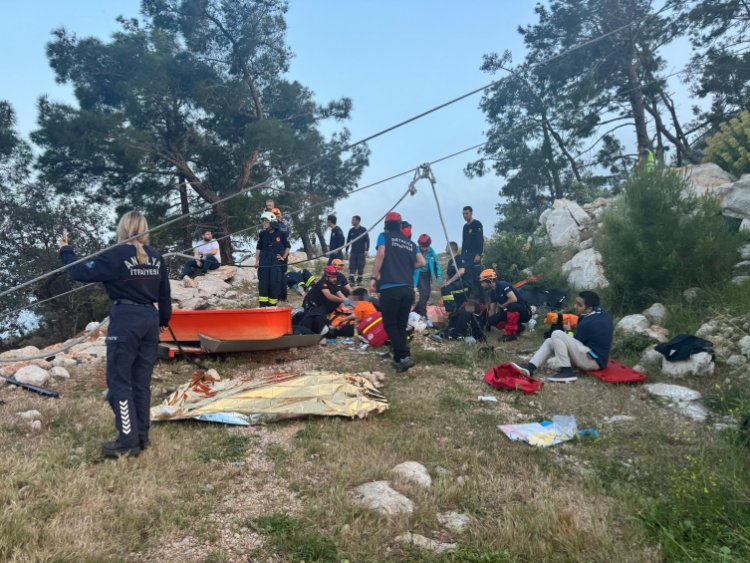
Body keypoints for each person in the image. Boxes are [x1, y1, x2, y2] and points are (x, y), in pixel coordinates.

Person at [59, 211, 171, 458]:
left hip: (126, 320)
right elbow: (164, 294)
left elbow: (79, 272)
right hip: (149, 321)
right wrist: (163, 320)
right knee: (141, 383)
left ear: (122, 229)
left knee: (120, 383)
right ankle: (141, 437)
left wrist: (65, 250)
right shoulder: (156, 257)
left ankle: (128, 441)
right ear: (144, 228)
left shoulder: (116, 255)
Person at [512, 290, 614, 383]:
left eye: (579, 305)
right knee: (549, 341)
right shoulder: (601, 313)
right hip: (595, 355)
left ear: (589, 308)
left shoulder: (587, 323)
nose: (575, 306)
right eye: (576, 303)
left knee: (557, 334)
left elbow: (573, 341)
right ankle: (530, 367)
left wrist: (568, 330)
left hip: (594, 361)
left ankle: (566, 371)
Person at [369, 211, 426, 373]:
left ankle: (405, 355)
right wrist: (408, 267)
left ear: (386, 225)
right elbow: (421, 262)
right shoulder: (410, 243)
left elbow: (381, 253)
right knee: (400, 325)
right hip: (408, 289)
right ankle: (398, 360)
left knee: (389, 324)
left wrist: (374, 277)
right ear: (400, 225)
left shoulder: (384, 236)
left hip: (390, 288)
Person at [481, 268, 532, 341]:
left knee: (511, 306)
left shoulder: (502, 285)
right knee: (493, 320)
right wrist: (489, 322)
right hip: (510, 311)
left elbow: (513, 299)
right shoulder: (492, 292)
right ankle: (519, 327)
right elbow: (492, 310)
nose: (481, 285)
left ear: (489, 280)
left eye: (483, 282)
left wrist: (503, 305)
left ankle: (510, 334)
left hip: (524, 312)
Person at [255, 211, 290, 307]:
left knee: (274, 285)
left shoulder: (281, 234)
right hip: (264, 262)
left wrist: (283, 257)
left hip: (275, 262)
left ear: (272, 222)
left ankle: (272, 308)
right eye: (263, 221)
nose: (264, 223)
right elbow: (258, 248)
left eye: (266, 221)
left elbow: (287, 246)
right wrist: (257, 261)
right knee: (263, 285)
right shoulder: (262, 234)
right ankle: (263, 307)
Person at [413, 234, 442, 317]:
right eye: (422, 246)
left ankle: (415, 311)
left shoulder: (431, 252)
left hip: (427, 275)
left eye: (425, 246)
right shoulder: (416, 250)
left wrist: (438, 275)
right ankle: (423, 314)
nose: (423, 248)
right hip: (418, 274)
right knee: (424, 293)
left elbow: (436, 263)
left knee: (427, 294)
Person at [461, 206, 484, 300]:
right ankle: (469, 298)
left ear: (471, 213)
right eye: (463, 214)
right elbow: (464, 241)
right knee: (467, 276)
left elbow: (480, 240)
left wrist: (478, 254)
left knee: (477, 277)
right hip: (466, 255)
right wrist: (462, 255)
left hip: (475, 254)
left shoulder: (477, 224)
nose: (465, 215)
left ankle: (482, 299)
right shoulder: (465, 227)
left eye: (466, 213)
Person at [440, 241, 469, 312]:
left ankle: (451, 310)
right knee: (444, 287)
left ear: (451, 248)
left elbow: (461, 271)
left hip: (464, 285)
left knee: (446, 289)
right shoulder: (450, 261)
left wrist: (449, 282)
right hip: (455, 286)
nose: (445, 249)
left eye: (446, 247)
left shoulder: (460, 258)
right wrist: (445, 281)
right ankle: (454, 311)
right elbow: (448, 276)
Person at [345, 215, 369, 286]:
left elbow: (367, 240)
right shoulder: (351, 230)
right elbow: (348, 241)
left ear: (358, 221)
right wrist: (346, 250)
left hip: (361, 252)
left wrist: (366, 250)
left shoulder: (363, 230)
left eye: (353, 220)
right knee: (352, 266)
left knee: (360, 266)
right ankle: (351, 281)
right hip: (353, 252)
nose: (352, 221)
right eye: (352, 220)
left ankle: (359, 281)